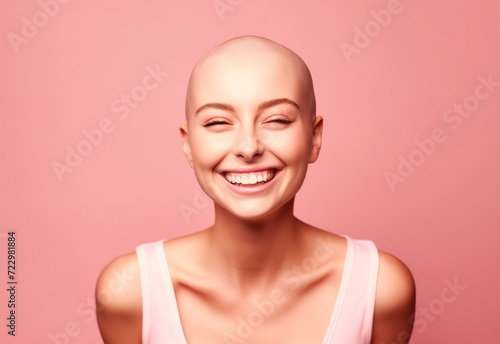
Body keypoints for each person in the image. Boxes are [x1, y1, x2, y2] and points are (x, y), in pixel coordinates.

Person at [95, 35, 416, 344]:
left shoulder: (379, 289)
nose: (249, 147)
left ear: (314, 137)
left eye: (276, 120)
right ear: (188, 144)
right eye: (217, 123)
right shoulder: (130, 292)